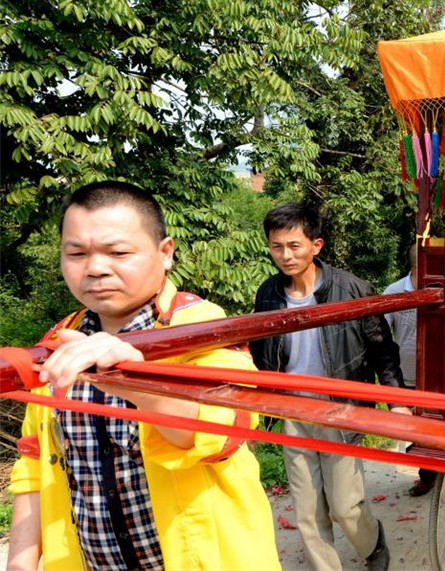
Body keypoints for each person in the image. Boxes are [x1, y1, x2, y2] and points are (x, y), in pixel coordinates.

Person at [7, 181, 279, 571]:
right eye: (76, 253)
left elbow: (222, 431)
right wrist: (20, 562)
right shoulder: (58, 342)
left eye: (118, 252)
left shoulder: (201, 327)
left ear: (165, 252)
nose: (96, 268)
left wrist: (133, 380)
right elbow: (34, 462)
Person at [249, 202, 406, 571]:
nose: (285, 256)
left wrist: (396, 401)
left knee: (345, 508)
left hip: (340, 408)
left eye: (294, 246)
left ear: (316, 245)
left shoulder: (352, 289)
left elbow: (382, 347)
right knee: (308, 511)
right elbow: (259, 350)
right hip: (293, 412)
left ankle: (372, 544)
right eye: (276, 247)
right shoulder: (269, 294)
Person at [382, 244, 436, 497]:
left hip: (437, 373)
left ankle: (438, 473)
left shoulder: (441, 290)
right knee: (416, 428)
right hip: (407, 372)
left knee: (435, 426)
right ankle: (428, 473)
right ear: (418, 267)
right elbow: (380, 335)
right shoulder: (394, 292)